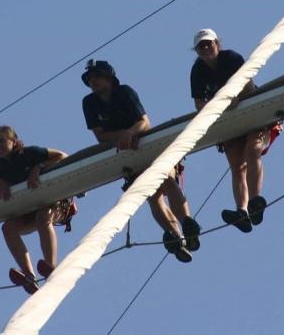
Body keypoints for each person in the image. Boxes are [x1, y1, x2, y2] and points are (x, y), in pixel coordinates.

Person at [81, 59, 201, 262]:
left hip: (149, 147)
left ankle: (187, 223)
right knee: (152, 195)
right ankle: (175, 237)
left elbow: (144, 123)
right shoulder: (90, 103)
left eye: (98, 76)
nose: (93, 81)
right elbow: (101, 136)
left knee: (166, 179)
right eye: (90, 79)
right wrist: (125, 136)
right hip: (129, 154)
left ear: (109, 78)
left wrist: (129, 133)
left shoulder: (124, 92)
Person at [190, 28, 282, 233]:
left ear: (217, 44)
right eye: (201, 46)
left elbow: (248, 84)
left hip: (251, 112)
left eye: (208, 43)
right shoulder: (197, 70)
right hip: (229, 120)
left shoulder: (231, 58)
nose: (205, 48)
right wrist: (221, 104)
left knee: (252, 150)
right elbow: (198, 104)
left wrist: (234, 98)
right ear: (196, 51)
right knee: (236, 164)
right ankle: (241, 211)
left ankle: (255, 201)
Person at [0, 125, 74, 295]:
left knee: (43, 216)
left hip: (53, 204)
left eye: (2, 141)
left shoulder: (30, 153)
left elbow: (62, 156)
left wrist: (37, 168)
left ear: (14, 141)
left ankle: (50, 265)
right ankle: (28, 275)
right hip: (27, 210)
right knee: (8, 228)